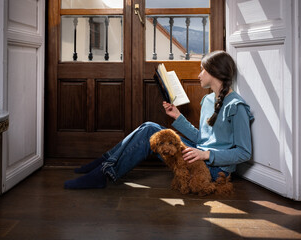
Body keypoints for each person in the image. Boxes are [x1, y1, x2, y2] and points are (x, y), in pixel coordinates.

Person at [64, 50, 254, 189]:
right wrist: (177, 117)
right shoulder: (208, 100)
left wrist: (207, 155)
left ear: (214, 72)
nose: (198, 75)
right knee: (150, 127)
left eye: (202, 70)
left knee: (149, 130)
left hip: (211, 170)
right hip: (197, 156)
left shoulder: (236, 107)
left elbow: (244, 152)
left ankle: (102, 172)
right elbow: (202, 139)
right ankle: (103, 164)